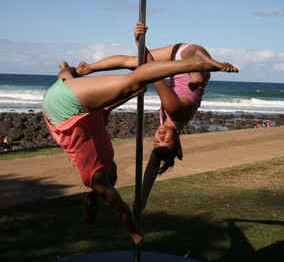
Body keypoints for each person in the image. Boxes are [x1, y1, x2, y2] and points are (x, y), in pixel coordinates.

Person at [42, 51, 237, 240]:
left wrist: (134, 231)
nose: (115, 170)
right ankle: (65, 68)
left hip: (66, 106)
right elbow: (106, 108)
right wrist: (134, 94)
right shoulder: (103, 155)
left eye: (115, 176)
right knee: (127, 79)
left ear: (110, 176)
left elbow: (118, 206)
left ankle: (196, 64)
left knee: (133, 78)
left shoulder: (95, 177)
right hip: (56, 100)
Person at [76, 22, 239, 210]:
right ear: (176, 141)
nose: (160, 138)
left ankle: (88, 68)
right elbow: (154, 75)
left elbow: (153, 166)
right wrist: (140, 44)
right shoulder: (176, 111)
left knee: (133, 62)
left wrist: (142, 200)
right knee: (168, 63)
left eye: (157, 143)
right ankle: (202, 69)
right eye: (166, 142)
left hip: (176, 58)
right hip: (191, 54)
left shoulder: (168, 123)